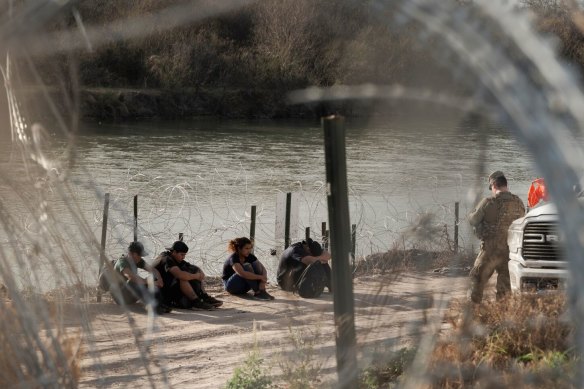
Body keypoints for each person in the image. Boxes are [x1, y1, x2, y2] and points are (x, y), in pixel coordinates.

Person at [468, 171, 525, 303]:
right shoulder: (519, 202)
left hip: (490, 250)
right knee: (505, 287)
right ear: (506, 185)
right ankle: (501, 314)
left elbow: (473, 220)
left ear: (494, 185)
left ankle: (473, 311)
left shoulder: (488, 202)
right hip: (510, 251)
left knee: (477, 279)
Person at [153, 241, 223, 310]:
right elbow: (180, 275)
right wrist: (196, 276)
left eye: (184, 255)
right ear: (174, 252)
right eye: (182, 255)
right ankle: (196, 302)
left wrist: (199, 273)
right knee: (183, 277)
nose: (183, 257)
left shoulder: (175, 258)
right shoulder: (167, 259)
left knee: (191, 272)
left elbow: (194, 268)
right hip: (162, 292)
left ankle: (204, 297)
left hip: (168, 288)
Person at [112, 241, 172, 315]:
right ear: (132, 254)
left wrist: (160, 280)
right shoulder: (122, 262)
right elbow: (131, 277)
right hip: (120, 296)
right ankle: (152, 306)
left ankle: (159, 303)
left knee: (152, 278)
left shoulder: (137, 260)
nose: (141, 257)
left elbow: (153, 270)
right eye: (139, 255)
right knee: (134, 282)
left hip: (131, 295)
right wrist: (150, 282)